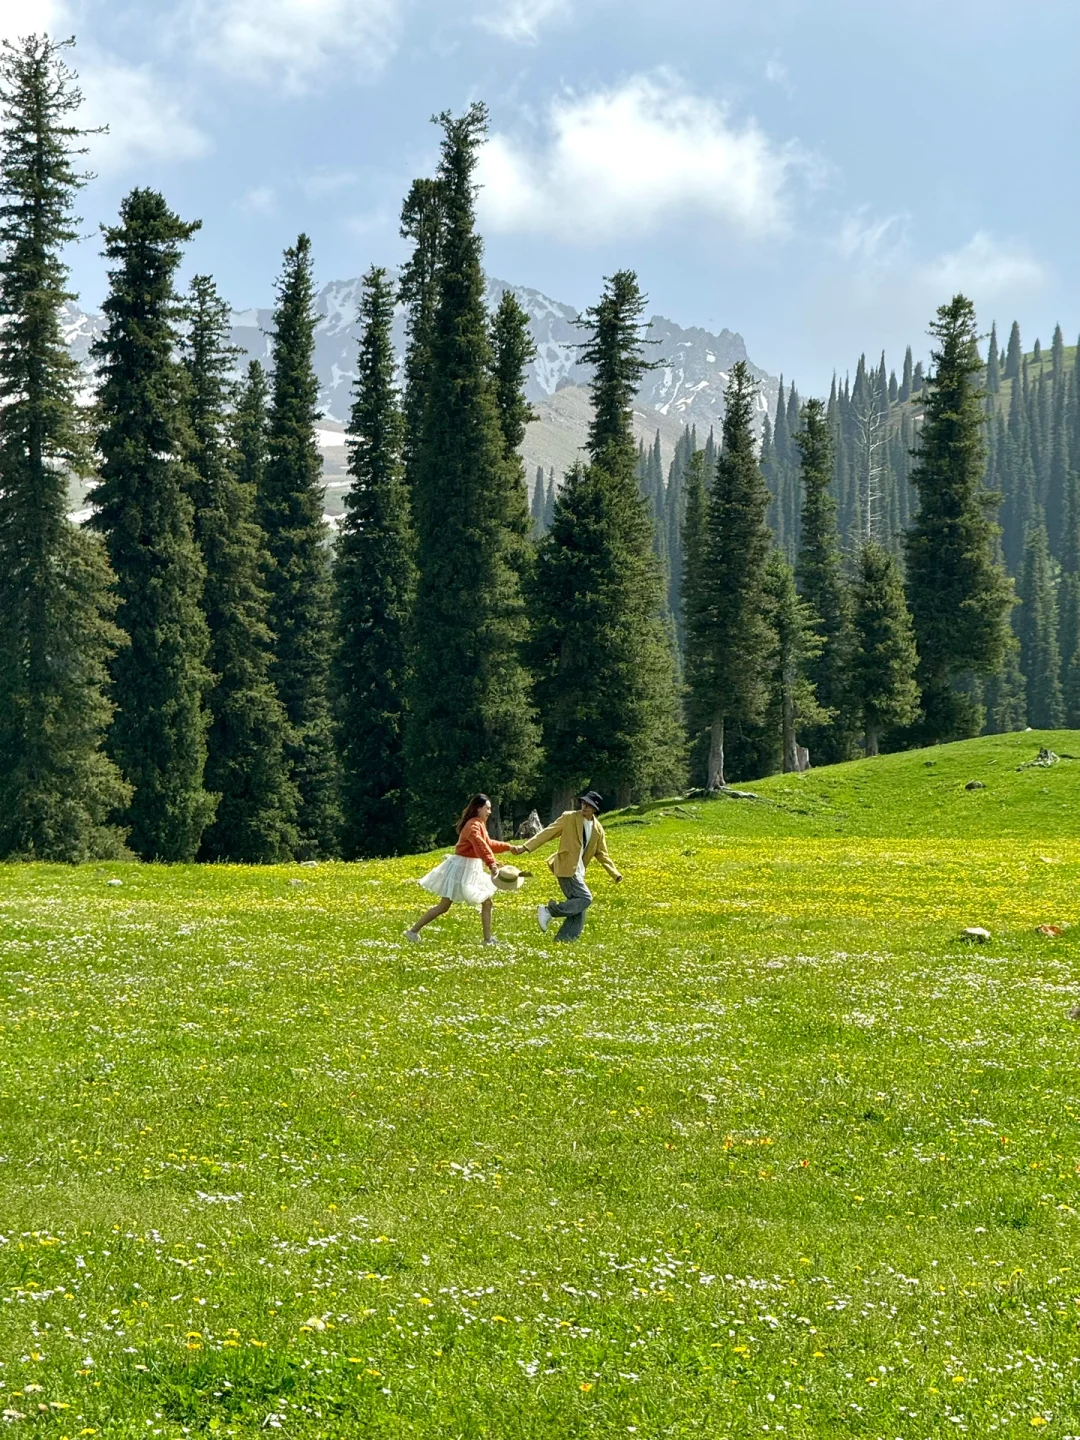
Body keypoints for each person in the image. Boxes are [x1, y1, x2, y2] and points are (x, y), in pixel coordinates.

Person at [511, 790, 621, 942]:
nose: (585, 807)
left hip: (579, 871)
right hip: (565, 866)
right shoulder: (569, 817)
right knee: (585, 898)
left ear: (595, 809)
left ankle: (563, 941)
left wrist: (615, 873)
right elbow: (548, 833)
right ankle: (548, 910)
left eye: (589, 805)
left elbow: (602, 853)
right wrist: (525, 847)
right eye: (584, 803)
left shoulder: (598, 829)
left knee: (579, 909)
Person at [405, 794, 513, 946]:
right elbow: (481, 846)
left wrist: (509, 847)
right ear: (478, 808)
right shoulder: (473, 825)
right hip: (462, 868)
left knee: (485, 902)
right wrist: (492, 865)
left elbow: (487, 843)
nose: (489, 812)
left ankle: (488, 940)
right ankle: (412, 932)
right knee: (444, 906)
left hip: (470, 867)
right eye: (487, 808)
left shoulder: (479, 824)